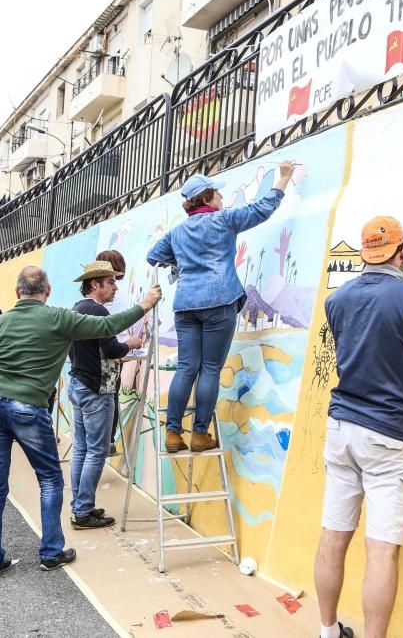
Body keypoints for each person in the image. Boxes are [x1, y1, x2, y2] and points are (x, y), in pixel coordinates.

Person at [0, 266, 161, 579]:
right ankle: (51, 553)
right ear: (46, 291)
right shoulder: (58, 318)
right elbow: (109, 324)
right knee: (50, 479)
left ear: (17, 292)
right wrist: (145, 304)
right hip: (28, 407)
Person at [313, 217, 403, 638]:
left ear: (363, 254)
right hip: (389, 433)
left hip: (342, 427)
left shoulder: (337, 300)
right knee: (382, 552)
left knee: (334, 537)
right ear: (402, 251)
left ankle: (328, 631)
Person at [146, 161, 295, 453]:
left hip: (186, 305)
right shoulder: (224, 220)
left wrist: (182, 262)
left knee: (187, 368)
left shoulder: (177, 233)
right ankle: (200, 434)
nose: (222, 199)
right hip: (219, 301)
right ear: (206, 198)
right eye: (218, 194)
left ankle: (173, 433)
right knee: (210, 369)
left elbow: (154, 256)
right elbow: (262, 209)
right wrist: (283, 179)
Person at [68, 261, 143, 529]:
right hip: (96, 389)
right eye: (111, 282)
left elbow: (89, 350)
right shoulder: (98, 311)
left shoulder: (78, 309)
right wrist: (131, 344)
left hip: (79, 384)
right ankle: (83, 510)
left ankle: (79, 505)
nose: (115, 287)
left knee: (82, 448)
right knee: (96, 451)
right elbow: (111, 349)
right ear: (95, 284)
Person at [95, 249, 128, 456]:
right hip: (113, 349)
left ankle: (105, 439)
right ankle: (107, 439)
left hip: (105, 350)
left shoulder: (105, 295)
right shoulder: (112, 297)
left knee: (110, 396)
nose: (114, 286)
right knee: (110, 395)